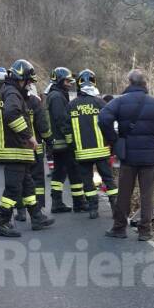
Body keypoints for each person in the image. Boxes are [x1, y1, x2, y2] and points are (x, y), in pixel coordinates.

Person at [98, 69, 154, 240]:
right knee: (147, 194)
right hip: (149, 157)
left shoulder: (120, 102)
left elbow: (103, 118)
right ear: (144, 83)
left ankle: (119, 229)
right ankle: (145, 232)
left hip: (128, 156)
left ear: (129, 82)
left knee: (124, 192)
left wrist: (114, 139)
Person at [0, 59, 54, 237]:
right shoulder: (12, 93)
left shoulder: (6, 91)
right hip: (15, 149)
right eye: (28, 82)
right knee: (13, 189)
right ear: (22, 78)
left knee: (27, 184)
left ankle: (36, 216)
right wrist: (29, 137)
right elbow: (11, 114)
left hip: (17, 149)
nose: (29, 86)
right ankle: (2, 223)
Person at [68, 69, 118, 219]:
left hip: (82, 153)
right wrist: (113, 143)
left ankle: (93, 209)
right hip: (102, 151)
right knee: (108, 179)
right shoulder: (100, 103)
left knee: (87, 181)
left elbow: (65, 128)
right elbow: (109, 124)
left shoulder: (72, 105)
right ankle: (115, 208)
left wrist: (73, 147)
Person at [46, 67, 86, 213]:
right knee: (73, 170)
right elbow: (61, 119)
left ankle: (57, 202)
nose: (70, 84)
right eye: (68, 81)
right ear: (60, 80)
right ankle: (79, 203)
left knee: (59, 172)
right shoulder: (57, 97)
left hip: (57, 142)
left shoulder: (55, 94)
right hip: (63, 142)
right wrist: (70, 139)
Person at [15, 83, 52, 221]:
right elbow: (43, 125)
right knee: (36, 180)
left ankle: (21, 211)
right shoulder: (35, 102)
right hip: (35, 148)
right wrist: (49, 140)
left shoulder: (14, 101)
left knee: (19, 180)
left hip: (18, 148)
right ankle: (38, 208)